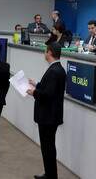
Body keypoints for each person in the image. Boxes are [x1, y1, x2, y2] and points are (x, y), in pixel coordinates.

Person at [27, 42, 66, 179]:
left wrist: (34, 93)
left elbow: (48, 95)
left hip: (48, 116)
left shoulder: (54, 71)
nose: (44, 53)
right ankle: (50, 174)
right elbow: (50, 89)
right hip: (51, 115)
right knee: (48, 147)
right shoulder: (57, 69)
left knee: (48, 147)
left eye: (45, 51)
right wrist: (37, 84)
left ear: (49, 52)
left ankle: (51, 175)